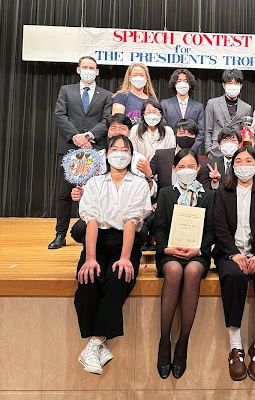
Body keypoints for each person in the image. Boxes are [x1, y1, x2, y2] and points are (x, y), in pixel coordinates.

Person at [74, 135, 152, 375]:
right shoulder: (95, 183)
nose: (119, 153)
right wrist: (90, 258)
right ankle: (98, 343)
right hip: (97, 239)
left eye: (125, 150)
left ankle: (94, 342)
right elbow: (92, 221)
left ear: (131, 156)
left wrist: (125, 257)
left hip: (125, 241)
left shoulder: (139, 184)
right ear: (106, 155)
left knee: (119, 277)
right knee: (88, 278)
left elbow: (131, 221)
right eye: (114, 149)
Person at [214, 146, 255, 383]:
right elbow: (219, 226)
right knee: (233, 277)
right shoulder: (223, 192)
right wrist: (233, 253)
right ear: (233, 166)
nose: (243, 165)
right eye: (239, 161)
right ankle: (235, 346)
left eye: (248, 161)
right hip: (230, 254)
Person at [154, 149, 215, 379]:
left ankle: (183, 341)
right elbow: (159, 227)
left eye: (191, 166)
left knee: (192, 271)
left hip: (197, 252)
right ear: (174, 169)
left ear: (198, 169)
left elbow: (211, 230)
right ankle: (164, 340)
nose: (186, 170)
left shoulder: (208, 196)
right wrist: (166, 248)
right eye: (181, 167)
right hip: (169, 251)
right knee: (173, 270)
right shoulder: (165, 193)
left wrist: (199, 250)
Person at [49, 55, 112, 250]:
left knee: (95, 192)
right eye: (85, 67)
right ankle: (60, 235)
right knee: (65, 194)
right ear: (78, 70)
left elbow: (107, 120)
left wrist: (89, 136)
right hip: (70, 148)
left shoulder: (106, 95)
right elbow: (60, 115)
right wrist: (76, 136)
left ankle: (96, 233)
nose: (88, 71)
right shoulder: (66, 90)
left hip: (95, 149)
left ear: (97, 72)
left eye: (92, 68)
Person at [70, 114, 153, 244]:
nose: (117, 132)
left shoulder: (140, 160)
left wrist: (149, 175)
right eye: (113, 128)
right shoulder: (95, 159)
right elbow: (88, 190)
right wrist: (80, 193)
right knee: (78, 230)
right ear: (108, 132)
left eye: (122, 128)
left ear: (129, 132)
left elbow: (148, 194)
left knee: (141, 232)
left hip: (128, 213)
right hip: (101, 213)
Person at [150, 119, 210, 192]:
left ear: (195, 137)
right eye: (182, 133)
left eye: (190, 134)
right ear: (175, 134)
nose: (186, 136)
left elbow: (205, 192)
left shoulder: (203, 164)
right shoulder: (160, 156)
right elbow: (148, 176)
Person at [204, 69, 252, 156]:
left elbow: (246, 132)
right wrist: (208, 150)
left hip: (237, 150)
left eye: (236, 83)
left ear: (241, 86)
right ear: (224, 85)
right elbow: (208, 129)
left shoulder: (247, 108)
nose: (233, 86)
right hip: (216, 150)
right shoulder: (212, 104)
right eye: (230, 83)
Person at [161, 69, 205, 153]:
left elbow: (201, 132)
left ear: (190, 85)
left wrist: (192, 150)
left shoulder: (198, 106)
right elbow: (164, 128)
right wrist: (174, 148)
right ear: (174, 84)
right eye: (179, 81)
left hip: (192, 152)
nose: (182, 83)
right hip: (171, 149)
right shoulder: (165, 104)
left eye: (185, 81)